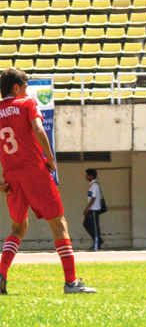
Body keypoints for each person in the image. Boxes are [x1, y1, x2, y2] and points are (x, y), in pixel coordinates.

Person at [0, 68, 95, 295]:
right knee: (59, 224)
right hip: (35, 172)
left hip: (11, 177)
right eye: (25, 87)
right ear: (17, 88)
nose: (26, 91)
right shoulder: (27, 103)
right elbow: (38, 129)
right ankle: (71, 282)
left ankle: (1, 273)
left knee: (18, 227)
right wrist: (50, 160)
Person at [83, 169, 104, 251]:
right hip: (92, 208)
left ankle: (96, 245)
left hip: (94, 209)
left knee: (95, 227)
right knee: (86, 224)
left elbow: (93, 198)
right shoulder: (91, 185)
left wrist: (87, 208)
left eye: (87, 175)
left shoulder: (94, 185)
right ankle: (99, 240)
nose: (86, 177)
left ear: (91, 176)